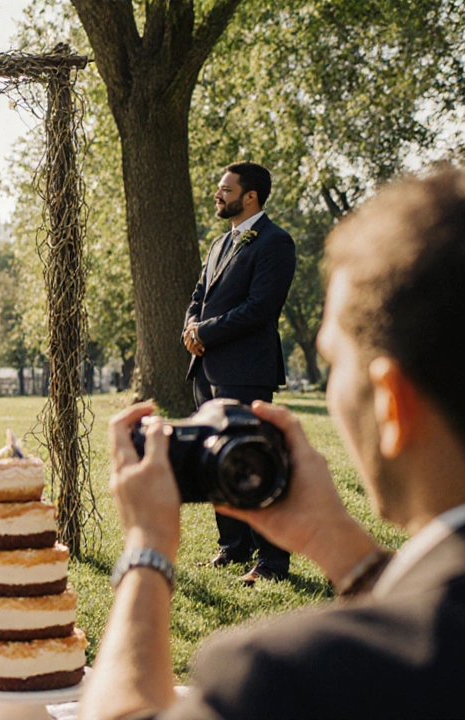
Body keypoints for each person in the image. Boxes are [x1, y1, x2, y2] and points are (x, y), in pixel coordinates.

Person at [85, 166, 465, 720]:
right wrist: (346, 553)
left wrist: (146, 551)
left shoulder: (289, 679)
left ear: (394, 404)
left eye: (336, 361)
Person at [183, 162, 296, 584]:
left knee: (255, 463)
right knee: (214, 459)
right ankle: (233, 546)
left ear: (250, 196)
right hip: (206, 370)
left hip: (247, 371)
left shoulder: (275, 242)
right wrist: (190, 328)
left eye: (224, 189)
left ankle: (272, 561)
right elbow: (198, 295)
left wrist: (205, 332)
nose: (218, 195)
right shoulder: (217, 244)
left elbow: (260, 309)